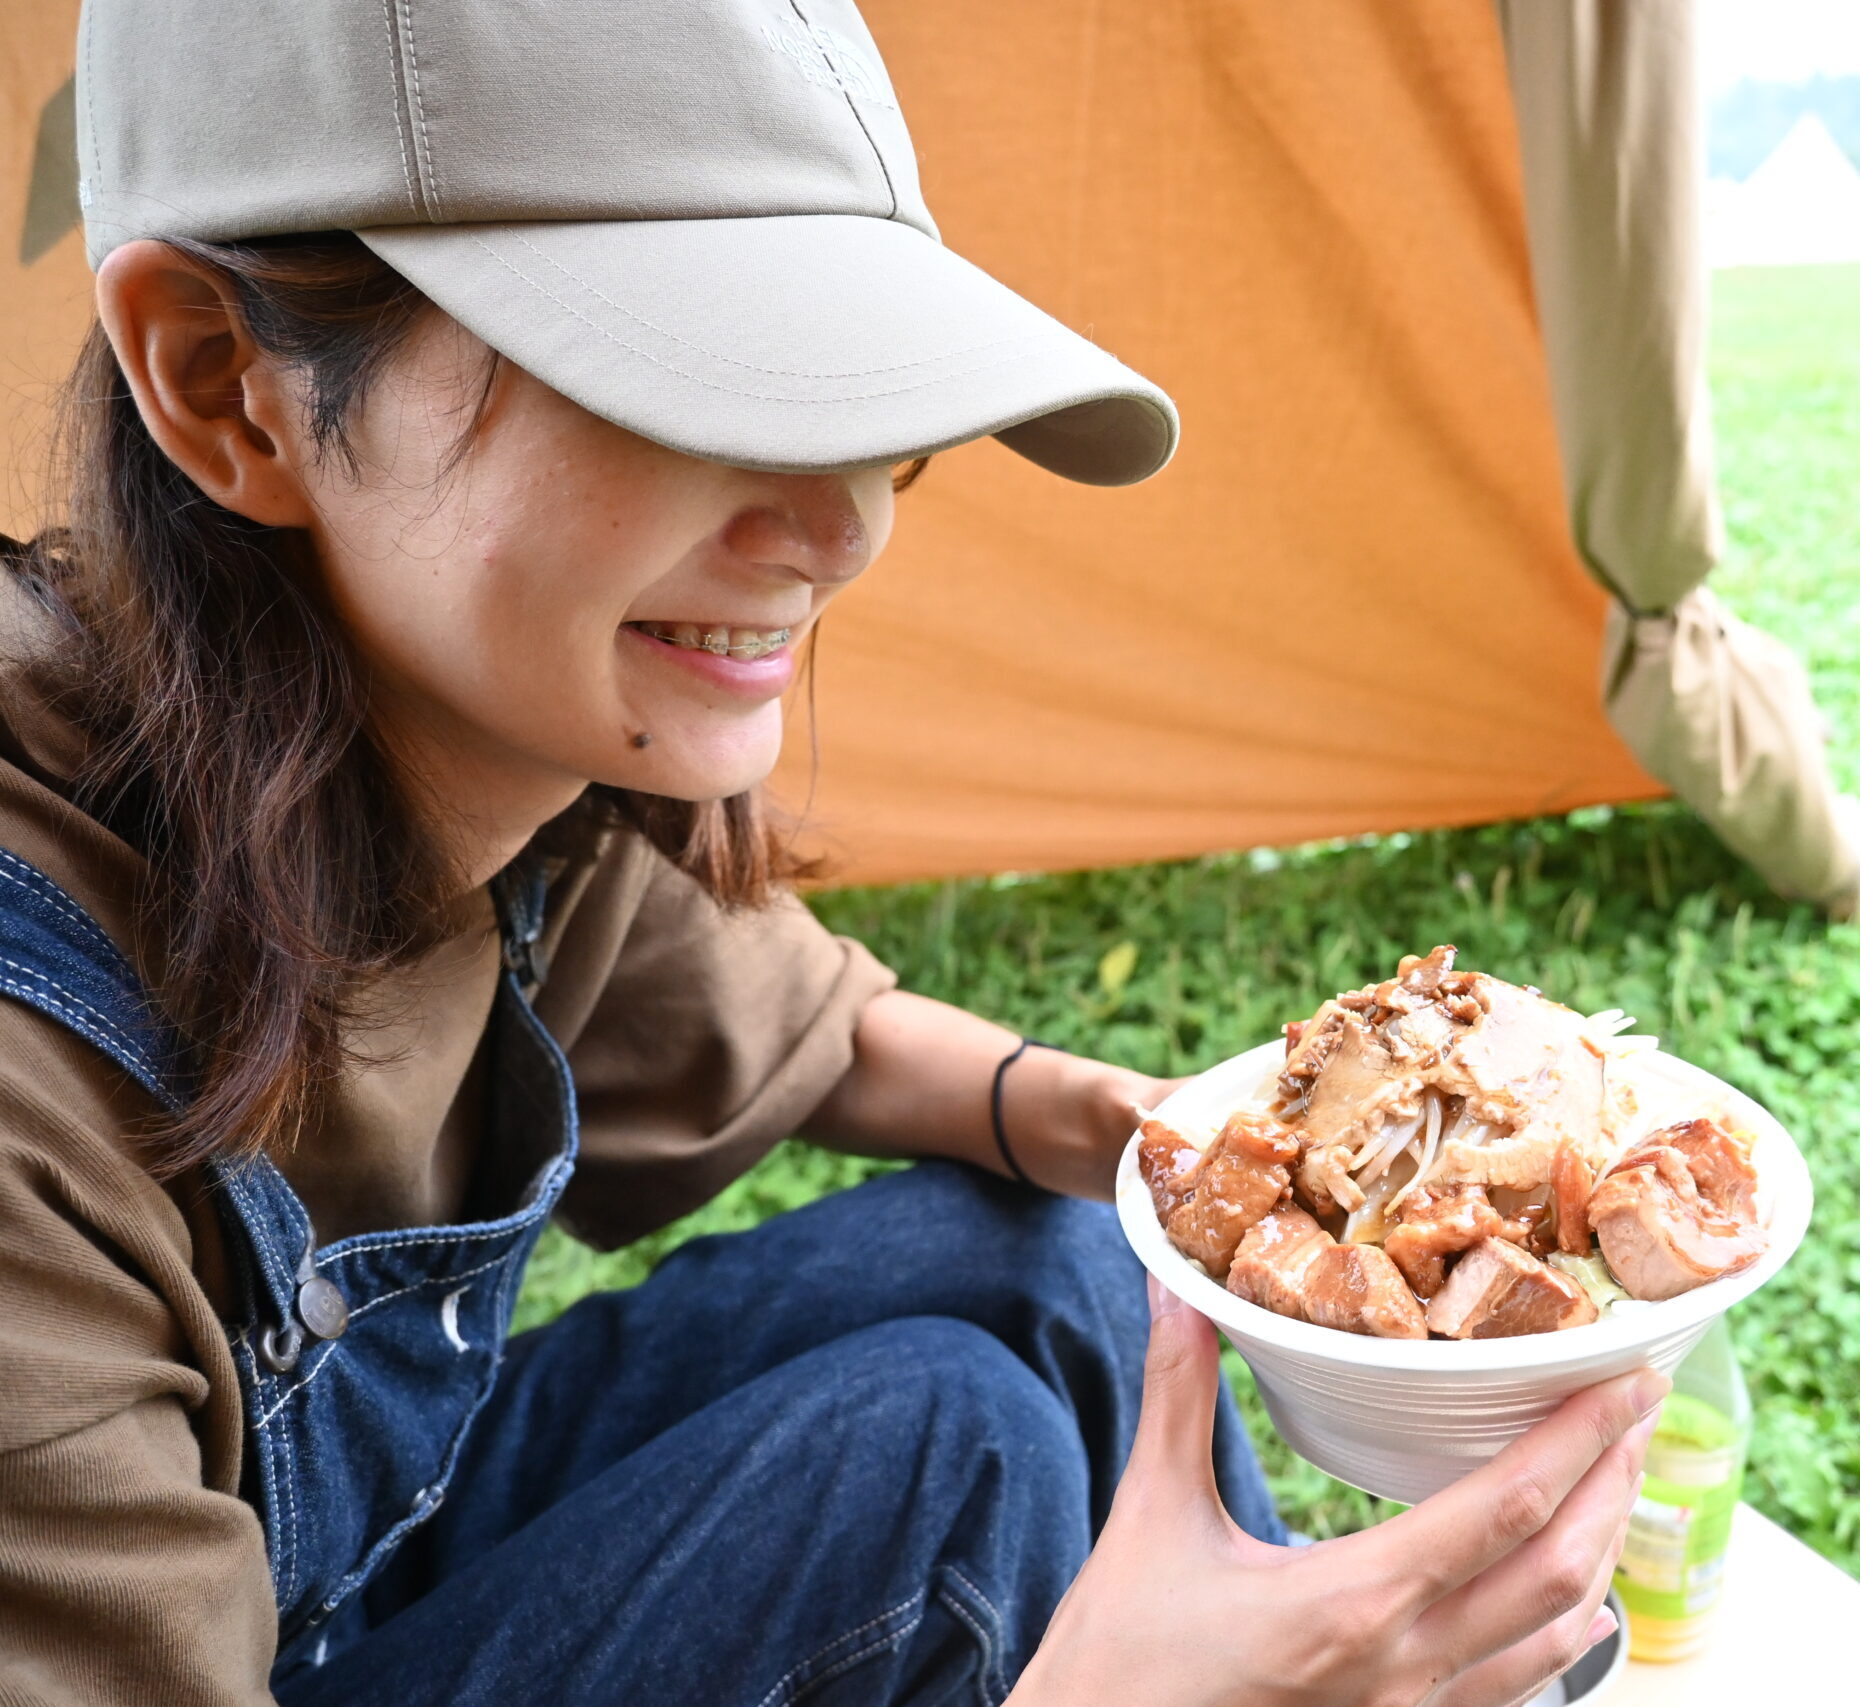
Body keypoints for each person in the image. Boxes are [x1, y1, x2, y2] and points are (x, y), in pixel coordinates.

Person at [0, 2, 1660, 1703]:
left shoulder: (458, 763)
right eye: (678, 377)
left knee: (1060, 1252)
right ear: (228, 388)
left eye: (855, 391)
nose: (841, 530)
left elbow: (827, 1029)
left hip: (335, 1582)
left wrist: (1143, 1142)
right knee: (963, 1479)